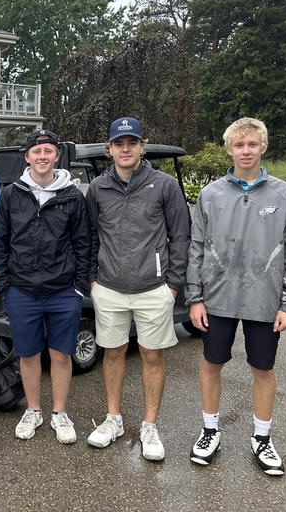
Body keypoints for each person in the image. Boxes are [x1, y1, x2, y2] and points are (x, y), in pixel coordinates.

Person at [186, 117, 286, 476]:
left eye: (252, 144)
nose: (246, 151)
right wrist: (195, 298)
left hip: (264, 302)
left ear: (263, 147)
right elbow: (196, 249)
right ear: (229, 149)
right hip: (217, 298)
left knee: (262, 368)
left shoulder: (285, 194)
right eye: (239, 145)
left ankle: (262, 438)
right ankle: (210, 431)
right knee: (211, 363)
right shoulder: (210, 194)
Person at [85, 116, 190, 461]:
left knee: (151, 355)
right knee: (113, 353)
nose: (125, 148)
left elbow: (180, 237)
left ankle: (149, 426)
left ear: (142, 146)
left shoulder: (164, 185)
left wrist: (173, 285)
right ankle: (113, 419)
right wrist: (92, 281)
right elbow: (89, 238)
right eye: (119, 143)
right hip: (110, 287)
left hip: (153, 288)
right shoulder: (98, 188)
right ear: (109, 148)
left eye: (132, 142)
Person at [0, 129, 90, 444]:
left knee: (61, 354)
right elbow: (0, 242)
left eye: (48, 151)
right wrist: (5, 285)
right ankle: (33, 410)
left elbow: (83, 243)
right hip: (22, 291)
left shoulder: (72, 196)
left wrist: (78, 288)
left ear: (56, 156)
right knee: (28, 354)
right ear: (27, 157)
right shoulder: (11, 195)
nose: (42, 157)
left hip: (63, 291)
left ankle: (59, 413)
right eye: (37, 152)